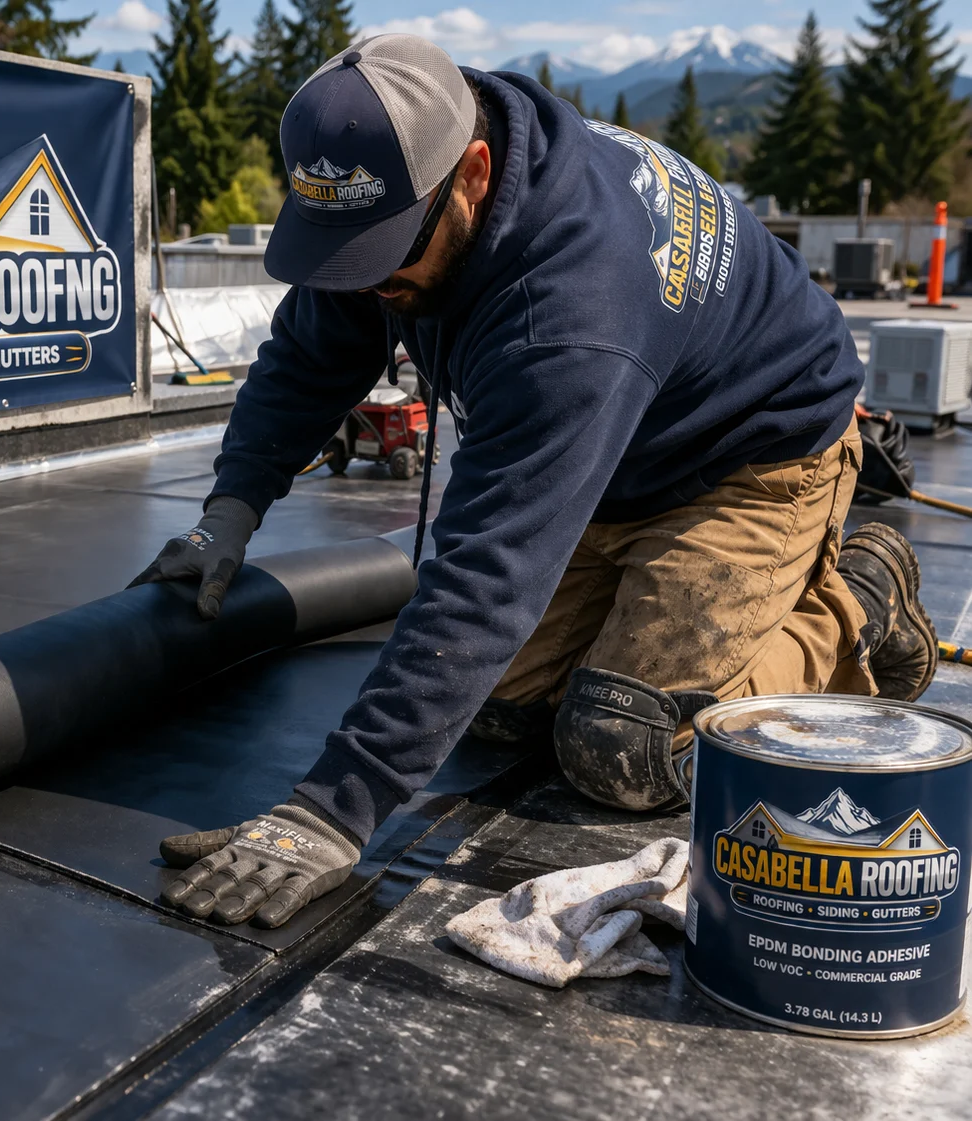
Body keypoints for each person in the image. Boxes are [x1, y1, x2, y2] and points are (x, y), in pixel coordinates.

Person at [130, 34, 937, 930]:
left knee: (623, 743)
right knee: (500, 713)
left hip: (750, 459)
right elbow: (308, 356)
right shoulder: (399, 188)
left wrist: (329, 811)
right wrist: (227, 516)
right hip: (616, 456)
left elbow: (487, 581)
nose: (374, 284)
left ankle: (860, 599)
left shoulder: (569, 308)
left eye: (388, 257)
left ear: (473, 173)